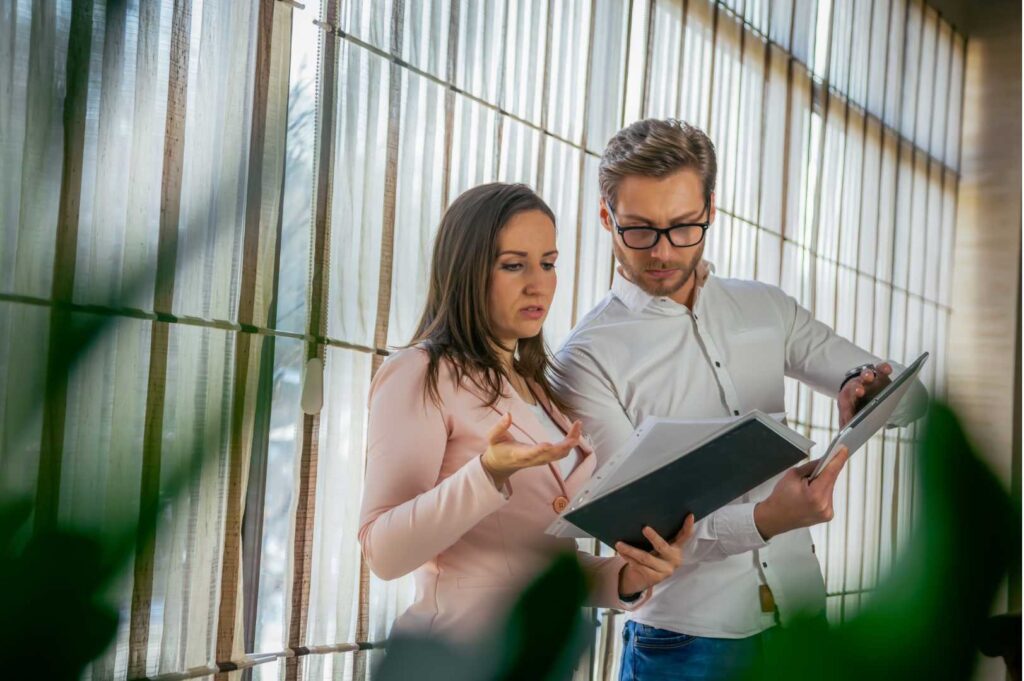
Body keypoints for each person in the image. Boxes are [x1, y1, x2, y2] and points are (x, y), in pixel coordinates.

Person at [549, 119, 928, 681]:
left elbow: (913, 399)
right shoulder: (584, 358)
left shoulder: (766, 308)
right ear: (607, 217)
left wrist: (869, 390)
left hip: (801, 623)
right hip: (684, 646)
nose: (662, 251)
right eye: (640, 230)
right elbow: (638, 529)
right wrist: (767, 519)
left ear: (710, 209)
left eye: (684, 227)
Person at [358, 182, 695, 644]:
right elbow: (383, 553)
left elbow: (533, 561)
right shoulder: (421, 373)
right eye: (514, 265)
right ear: (467, 270)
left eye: (548, 264)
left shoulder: (536, 387)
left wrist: (626, 577)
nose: (538, 284)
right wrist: (486, 473)